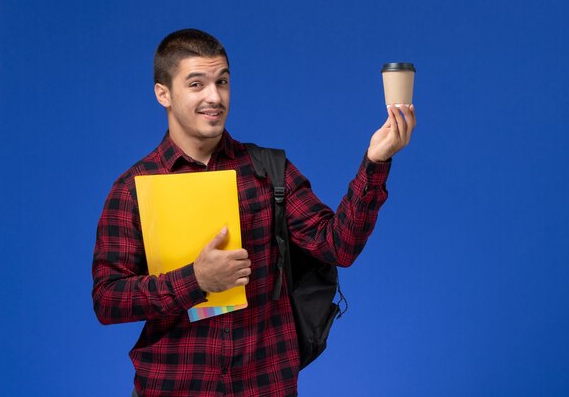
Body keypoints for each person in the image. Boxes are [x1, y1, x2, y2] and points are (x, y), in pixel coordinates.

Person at [92, 28, 416, 397]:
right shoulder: (133, 187)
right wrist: (195, 281)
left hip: (265, 384)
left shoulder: (269, 171)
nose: (214, 97)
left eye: (222, 81)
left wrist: (376, 160)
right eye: (196, 84)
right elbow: (108, 299)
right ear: (163, 93)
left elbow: (338, 246)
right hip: (172, 386)